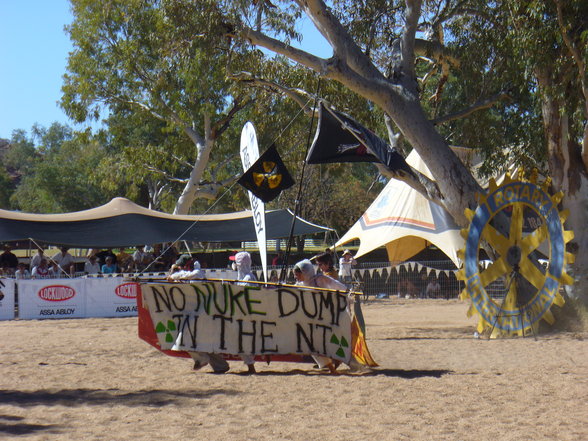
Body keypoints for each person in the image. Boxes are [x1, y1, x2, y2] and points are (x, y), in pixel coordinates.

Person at [293, 259, 349, 374]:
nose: (296, 278)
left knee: (318, 342)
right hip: (310, 319)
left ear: (304, 272)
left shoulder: (319, 279)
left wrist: (346, 293)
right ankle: (332, 364)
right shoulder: (300, 284)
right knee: (311, 342)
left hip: (326, 317)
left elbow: (336, 286)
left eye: (297, 275)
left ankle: (332, 366)